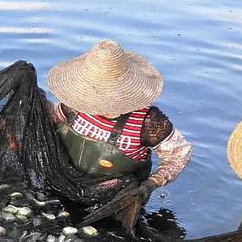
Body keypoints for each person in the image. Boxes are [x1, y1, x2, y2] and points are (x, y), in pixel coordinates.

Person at [46, 39, 193, 204]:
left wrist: (153, 183)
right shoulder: (73, 104)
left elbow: (180, 153)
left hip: (114, 200)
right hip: (64, 186)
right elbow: (50, 122)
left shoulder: (148, 122)